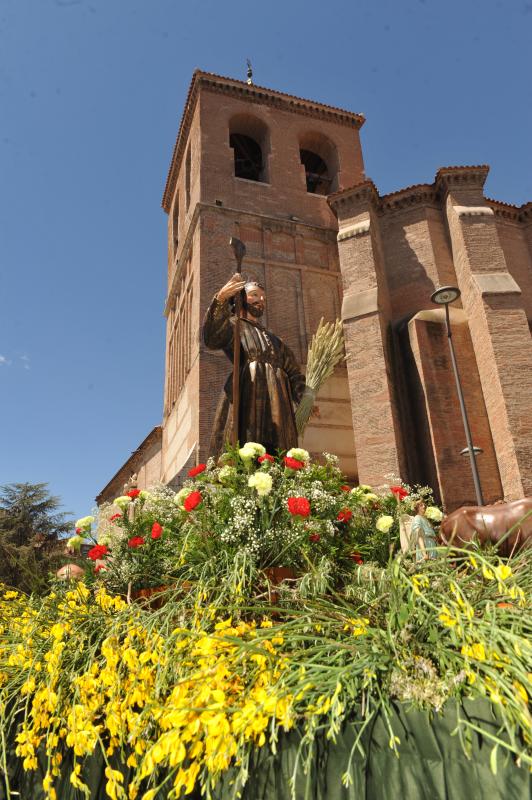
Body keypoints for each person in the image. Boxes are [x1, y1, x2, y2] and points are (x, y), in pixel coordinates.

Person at [203, 274, 306, 456]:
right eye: (255, 295)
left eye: (263, 298)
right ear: (241, 298)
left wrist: (305, 399)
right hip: (247, 392)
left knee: (279, 446)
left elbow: (294, 372)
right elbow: (212, 337)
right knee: (247, 439)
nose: (261, 301)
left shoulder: (275, 340)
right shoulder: (234, 326)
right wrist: (220, 299)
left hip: (277, 399)